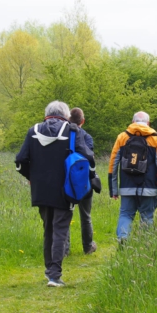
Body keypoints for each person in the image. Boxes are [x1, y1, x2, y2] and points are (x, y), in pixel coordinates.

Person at [15, 101, 95, 287]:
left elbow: (20, 161)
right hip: (65, 189)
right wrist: (88, 180)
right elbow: (88, 158)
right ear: (65, 115)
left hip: (40, 189)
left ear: (47, 114)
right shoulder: (72, 131)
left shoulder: (33, 131)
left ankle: (49, 270)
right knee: (60, 229)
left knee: (48, 229)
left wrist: (32, 177)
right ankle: (54, 275)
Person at [109, 111, 157, 241]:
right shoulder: (156, 138)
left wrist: (113, 189)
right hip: (148, 187)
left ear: (132, 122)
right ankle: (145, 245)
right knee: (147, 216)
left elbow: (113, 163)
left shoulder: (122, 137)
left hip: (126, 186)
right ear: (148, 123)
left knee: (125, 214)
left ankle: (123, 239)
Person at [64, 107, 98, 256]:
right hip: (84, 181)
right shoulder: (87, 137)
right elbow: (90, 158)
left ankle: (65, 250)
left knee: (65, 214)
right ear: (82, 121)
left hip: (67, 181)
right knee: (86, 215)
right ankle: (88, 246)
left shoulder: (63, 135)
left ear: (68, 119)